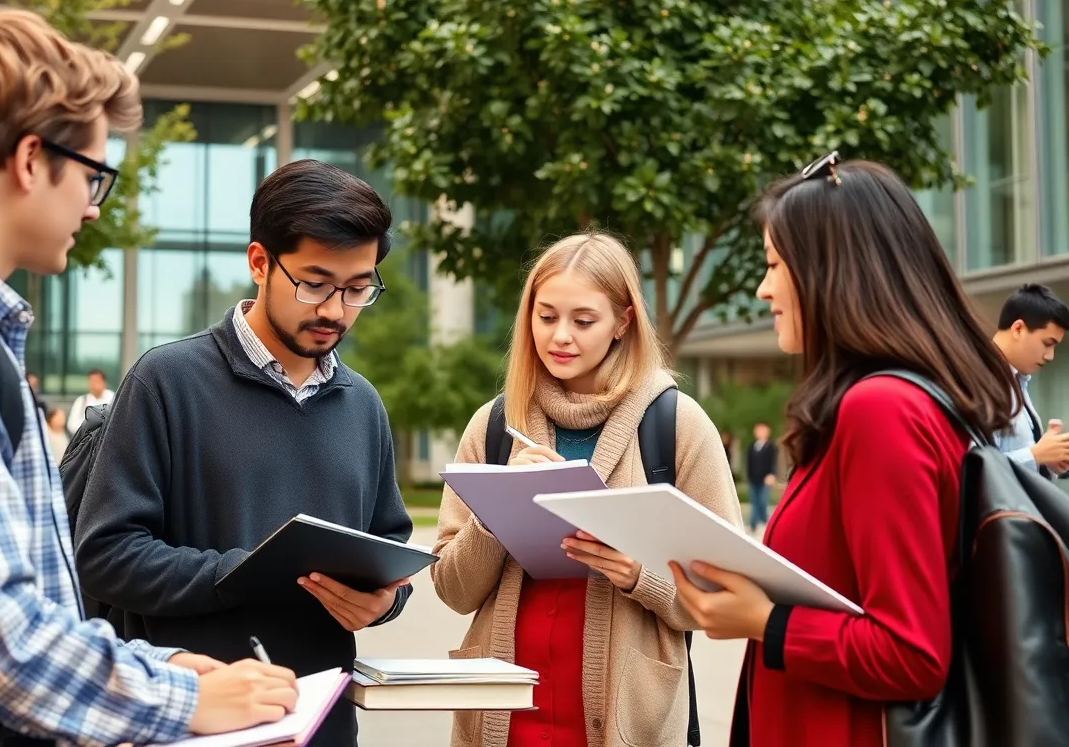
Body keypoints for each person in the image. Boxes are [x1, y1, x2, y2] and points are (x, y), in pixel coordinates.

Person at [0, 9, 297, 745]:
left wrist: (166, 669)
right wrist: (182, 704)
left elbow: (22, 612)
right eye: (93, 175)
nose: (93, 208)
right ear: (31, 161)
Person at [669, 154, 1016, 747]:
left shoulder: (881, 411)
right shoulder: (880, 405)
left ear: (833, 270)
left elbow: (911, 653)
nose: (764, 288)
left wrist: (763, 622)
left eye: (776, 264)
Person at [74, 159, 414, 747]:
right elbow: (105, 556)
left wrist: (383, 603)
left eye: (359, 288)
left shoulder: (363, 405)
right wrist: (245, 571)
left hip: (325, 724)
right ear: (260, 262)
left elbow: (390, 547)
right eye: (315, 283)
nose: (336, 309)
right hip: (200, 722)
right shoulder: (166, 383)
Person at [432, 232, 743, 747]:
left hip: (625, 722)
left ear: (623, 323)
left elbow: (727, 590)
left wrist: (640, 575)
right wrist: (495, 513)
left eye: (583, 321)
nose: (560, 337)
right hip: (504, 716)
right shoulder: (492, 426)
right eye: (546, 316)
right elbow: (452, 590)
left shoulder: (676, 425)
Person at [991, 284, 1069, 477]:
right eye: (1047, 344)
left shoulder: (1017, 381)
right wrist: (1035, 455)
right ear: (1018, 329)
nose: (1050, 356)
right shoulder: (979, 380)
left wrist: (1050, 458)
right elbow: (972, 468)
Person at [744, 422, 777, 532]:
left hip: (765, 479)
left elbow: (773, 462)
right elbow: (748, 463)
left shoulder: (771, 447)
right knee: (754, 502)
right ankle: (753, 525)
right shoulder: (752, 446)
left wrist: (771, 475)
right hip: (753, 479)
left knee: (763, 501)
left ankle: (765, 522)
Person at [67, 368, 114, 435]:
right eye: (91, 381)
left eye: (97, 381)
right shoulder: (81, 401)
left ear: (104, 382)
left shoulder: (112, 398)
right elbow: (71, 425)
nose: (94, 384)